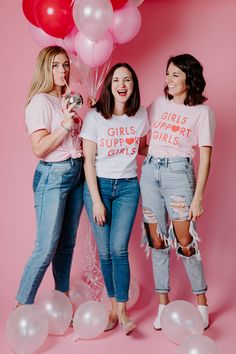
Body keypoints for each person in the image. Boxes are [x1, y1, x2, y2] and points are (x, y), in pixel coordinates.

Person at [139, 54, 215, 330]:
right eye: (167, 74)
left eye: (175, 75)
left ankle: (202, 303)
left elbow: (205, 158)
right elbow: (140, 138)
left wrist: (198, 197)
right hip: (150, 173)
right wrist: (155, 157)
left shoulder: (202, 113)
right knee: (156, 240)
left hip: (179, 175)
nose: (168, 80)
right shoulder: (158, 104)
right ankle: (163, 304)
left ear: (189, 79)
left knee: (184, 241)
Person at [80, 63, 149, 334]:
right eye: (117, 80)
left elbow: (142, 146)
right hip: (99, 188)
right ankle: (112, 308)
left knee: (119, 248)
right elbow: (88, 162)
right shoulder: (95, 116)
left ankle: (122, 311)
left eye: (128, 80)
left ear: (133, 86)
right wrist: (96, 200)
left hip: (128, 188)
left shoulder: (141, 115)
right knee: (106, 251)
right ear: (110, 85)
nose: (122, 85)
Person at [15, 46, 84, 305]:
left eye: (65, 64)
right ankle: (22, 306)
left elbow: (74, 140)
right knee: (46, 247)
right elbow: (39, 148)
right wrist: (66, 125)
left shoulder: (66, 99)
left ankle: (62, 302)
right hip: (53, 176)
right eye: (55, 65)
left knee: (67, 245)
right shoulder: (40, 101)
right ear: (45, 68)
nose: (62, 70)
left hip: (76, 174)